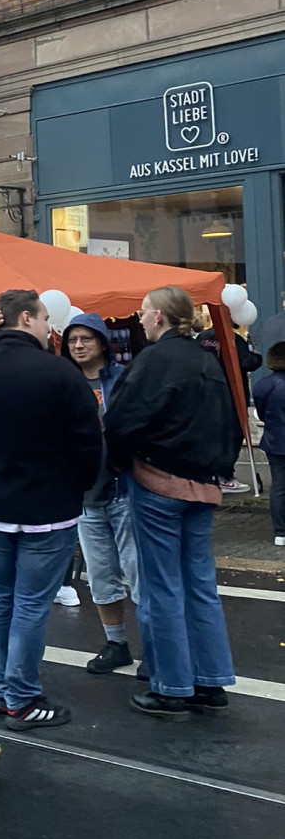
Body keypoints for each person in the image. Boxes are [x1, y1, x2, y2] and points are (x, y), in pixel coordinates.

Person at [0, 290, 103, 729]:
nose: (51, 327)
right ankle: (23, 697)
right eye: (45, 318)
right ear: (27, 318)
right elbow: (89, 441)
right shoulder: (60, 374)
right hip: (49, 506)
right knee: (31, 603)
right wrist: (80, 486)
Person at [105, 286, 241, 719]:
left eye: (143, 313)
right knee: (200, 584)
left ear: (160, 317)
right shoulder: (207, 360)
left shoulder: (155, 360)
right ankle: (211, 680)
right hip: (204, 484)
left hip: (158, 481)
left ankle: (173, 687)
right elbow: (232, 421)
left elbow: (122, 420)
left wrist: (115, 464)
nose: (139, 319)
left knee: (162, 586)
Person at [59, 313, 140, 674]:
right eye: (73, 340)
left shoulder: (124, 379)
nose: (78, 346)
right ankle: (116, 643)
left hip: (124, 489)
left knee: (140, 574)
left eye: (86, 339)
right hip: (84, 497)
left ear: (102, 343)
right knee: (101, 575)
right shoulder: (62, 382)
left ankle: (156, 649)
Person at [196, 322, 261, 493]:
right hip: (231, 394)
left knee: (212, 436)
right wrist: (255, 354)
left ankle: (213, 475)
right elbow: (247, 362)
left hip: (206, 395)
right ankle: (225, 476)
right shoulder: (233, 338)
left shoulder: (202, 337)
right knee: (232, 436)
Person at [253, 342, 285, 546]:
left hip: (275, 440)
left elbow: (262, 413)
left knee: (279, 487)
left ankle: (280, 532)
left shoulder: (262, 385)